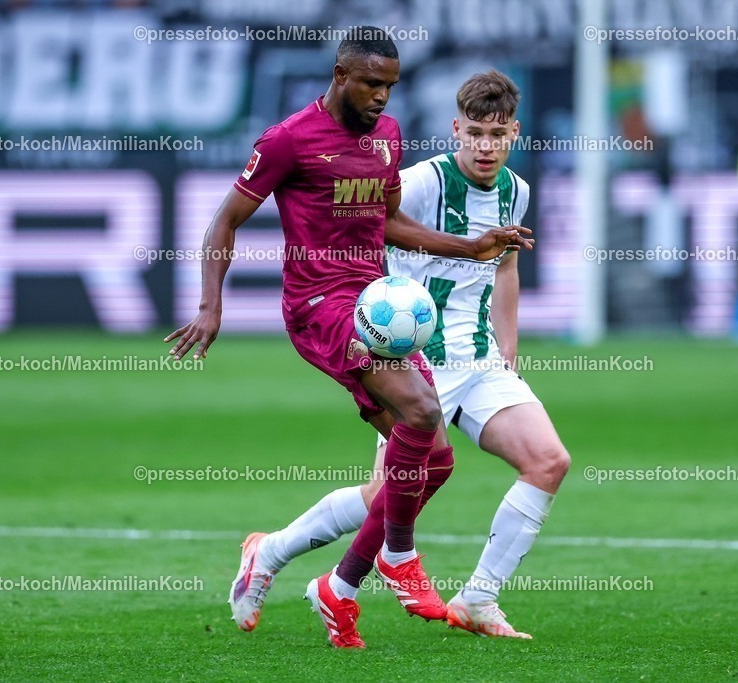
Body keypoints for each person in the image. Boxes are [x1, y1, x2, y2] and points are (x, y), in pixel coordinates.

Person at [165, 31, 532, 649]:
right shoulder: (288, 140)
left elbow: (390, 223)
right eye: (371, 84)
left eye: (390, 85)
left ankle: (311, 574)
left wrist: (470, 247)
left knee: (433, 460)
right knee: (421, 408)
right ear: (340, 75)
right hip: (318, 305)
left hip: (376, 300)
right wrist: (210, 305)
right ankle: (398, 556)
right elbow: (224, 220)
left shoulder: (386, 138)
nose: (382, 97)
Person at [228, 70, 570, 640]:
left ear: (515, 133)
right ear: (456, 129)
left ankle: (480, 598)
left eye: (498, 135)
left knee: (548, 462)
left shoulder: (517, 190)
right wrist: (363, 321)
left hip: (479, 359)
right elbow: (367, 234)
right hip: (414, 364)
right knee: (385, 495)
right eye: (476, 134)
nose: (486, 147)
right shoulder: (416, 182)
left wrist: (508, 347)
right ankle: (275, 555)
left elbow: (506, 265)